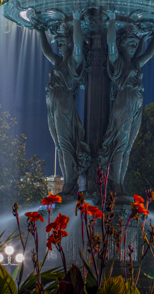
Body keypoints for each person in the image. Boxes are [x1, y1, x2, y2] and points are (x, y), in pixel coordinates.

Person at [99, 10, 154, 193]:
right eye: (131, 43)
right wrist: (112, 20)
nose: (134, 46)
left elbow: (149, 54)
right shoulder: (117, 62)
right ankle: (113, 183)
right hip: (125, 101)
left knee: (128, 146)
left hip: (136, 103)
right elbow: (111, 43)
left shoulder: (135, 64)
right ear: (122, 44)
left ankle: (119, 181)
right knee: (120, 143)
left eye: (136, 44)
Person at [39, 10, 89, 194]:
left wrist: (76, 19)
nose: (59, 44)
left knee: (66, 142)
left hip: (63, 103)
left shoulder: (74, 60)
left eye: (62, 41)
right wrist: (40, 31)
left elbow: (78, 45)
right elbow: (46, 51)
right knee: (59, 144)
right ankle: (69, 179)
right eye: (58, 41)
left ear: (70, 43)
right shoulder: (58, 62)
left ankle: (70, 181)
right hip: (52, 102)